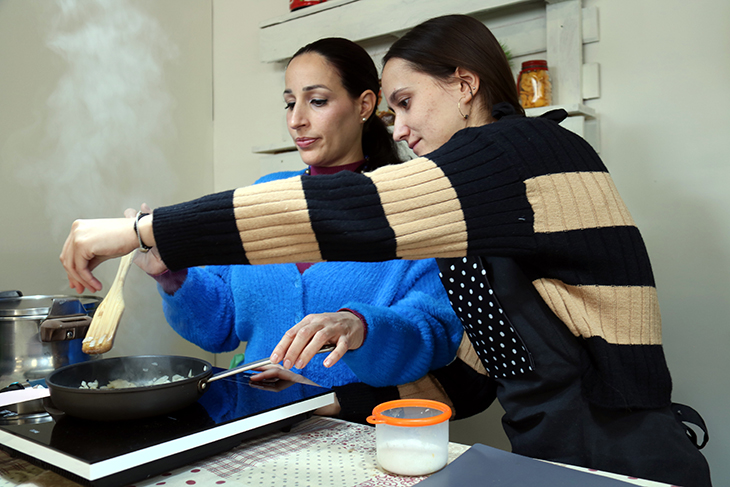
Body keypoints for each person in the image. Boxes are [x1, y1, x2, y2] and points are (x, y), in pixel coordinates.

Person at [60, 15, 712, 487]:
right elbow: (466, 375)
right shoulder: (480, 216)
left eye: (405, 103)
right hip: (543, 451)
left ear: (465, 84)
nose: (397, 130)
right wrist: (334, 387)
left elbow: (361, 209)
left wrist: (148, 229)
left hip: (625, 453)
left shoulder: (528, 151)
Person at [126, 38, 464, 400]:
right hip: (253, 426)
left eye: (317, 101)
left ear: (365, 104)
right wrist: (174, 277)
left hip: (354, 434)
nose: (296, 120)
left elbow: (433, 333)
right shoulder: (262, 197)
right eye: (290, 103)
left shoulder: (408, 207)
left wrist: (359, 326)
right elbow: (219, 327)